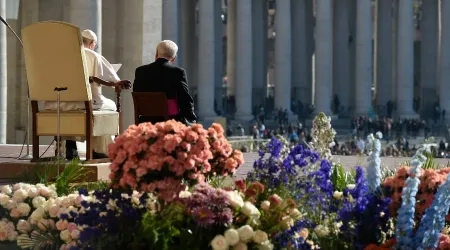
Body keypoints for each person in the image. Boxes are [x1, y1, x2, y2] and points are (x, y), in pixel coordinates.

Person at [44, 29, 129, 160]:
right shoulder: (92, 55)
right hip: (85, 102)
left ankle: (70, 147)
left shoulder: (59, 55)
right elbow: (111, 79)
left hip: (58, 102)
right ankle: (96, 150)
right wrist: (117, 82)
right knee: (110, 106)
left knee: (79, 108)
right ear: (92, 43)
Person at [133, 40, 196, 125]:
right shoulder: (178, 72)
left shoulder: (140, 71)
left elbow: (137, 93)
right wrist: (191, 117)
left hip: (145, 121)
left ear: (156, 54)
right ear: (174, 58)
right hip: (170, 122)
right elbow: (184, 98)